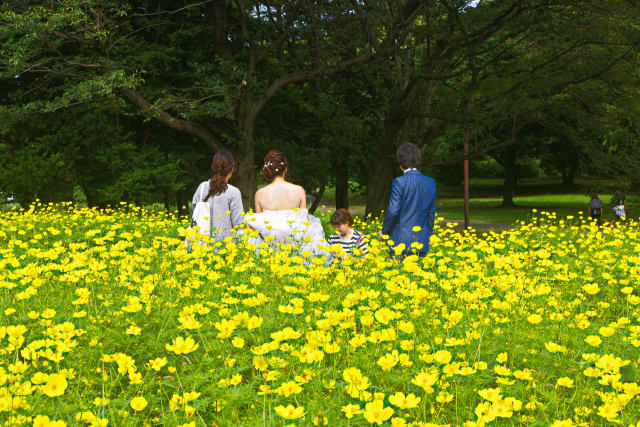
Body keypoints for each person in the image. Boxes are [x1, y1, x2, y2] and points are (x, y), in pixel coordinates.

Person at [243, 151, 326, 255]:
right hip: (293, 245)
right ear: (285, 169)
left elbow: (260, 225)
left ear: (269, 170)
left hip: (270, 247)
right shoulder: (299, 190)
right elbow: (304, 221)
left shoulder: (260, 193)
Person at [381, 142, 436, 258]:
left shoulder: (399, 182)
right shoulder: (430, 182)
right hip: (421, 242)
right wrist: (428, 235)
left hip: (400, 243)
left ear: (401, 163)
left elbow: (393, 211)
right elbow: (431, 213)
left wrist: (384, 232)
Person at [191, 151, 244, 239]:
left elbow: (195, 211)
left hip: (201, 245)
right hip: (226, 247)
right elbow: (238, 223)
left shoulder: (202, 187)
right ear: (232, 169)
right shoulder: (234, 192)